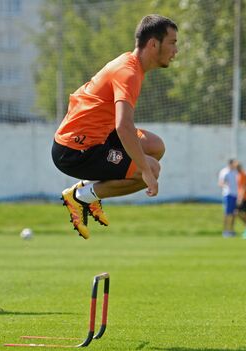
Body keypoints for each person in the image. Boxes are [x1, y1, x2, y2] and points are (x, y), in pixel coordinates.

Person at [52, 15, 178, 239]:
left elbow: (121, 126)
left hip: (100, 136)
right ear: (153, 44)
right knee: (151, 169)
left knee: (155, 146)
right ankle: (80, 196)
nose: (175, 50)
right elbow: (124, 127)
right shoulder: (128, 72)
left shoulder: (132, 66)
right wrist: (147, 174)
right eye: (172, 43)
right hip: (75, 151)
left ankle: (87, 193)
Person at [218, 159, 238, 238]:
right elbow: (220, 183)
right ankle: (225, 230)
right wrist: (225, 185)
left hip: (236, 195)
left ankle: (231, 230)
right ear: (230, 164)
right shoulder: (224, 171)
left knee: (234, 213)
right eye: (234, 164)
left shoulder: (236, 172)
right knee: (227, 213)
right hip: (228, 194)